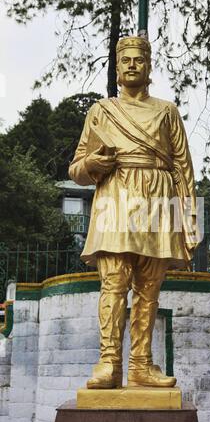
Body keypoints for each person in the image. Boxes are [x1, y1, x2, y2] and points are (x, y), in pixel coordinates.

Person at [69, 36, 199, 389]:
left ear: (148, 65)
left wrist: (189, 217)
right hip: (116, 196)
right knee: (114, 283)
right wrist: (93, 163)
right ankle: (109, 362)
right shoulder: (101, 111)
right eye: (125, 60)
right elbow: (76, 169)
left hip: (159, 198)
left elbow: (184, 167)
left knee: (149, 288)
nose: (131, 65)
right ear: (117, 66)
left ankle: (141, 365)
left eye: (138, 60)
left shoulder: (166, 110)